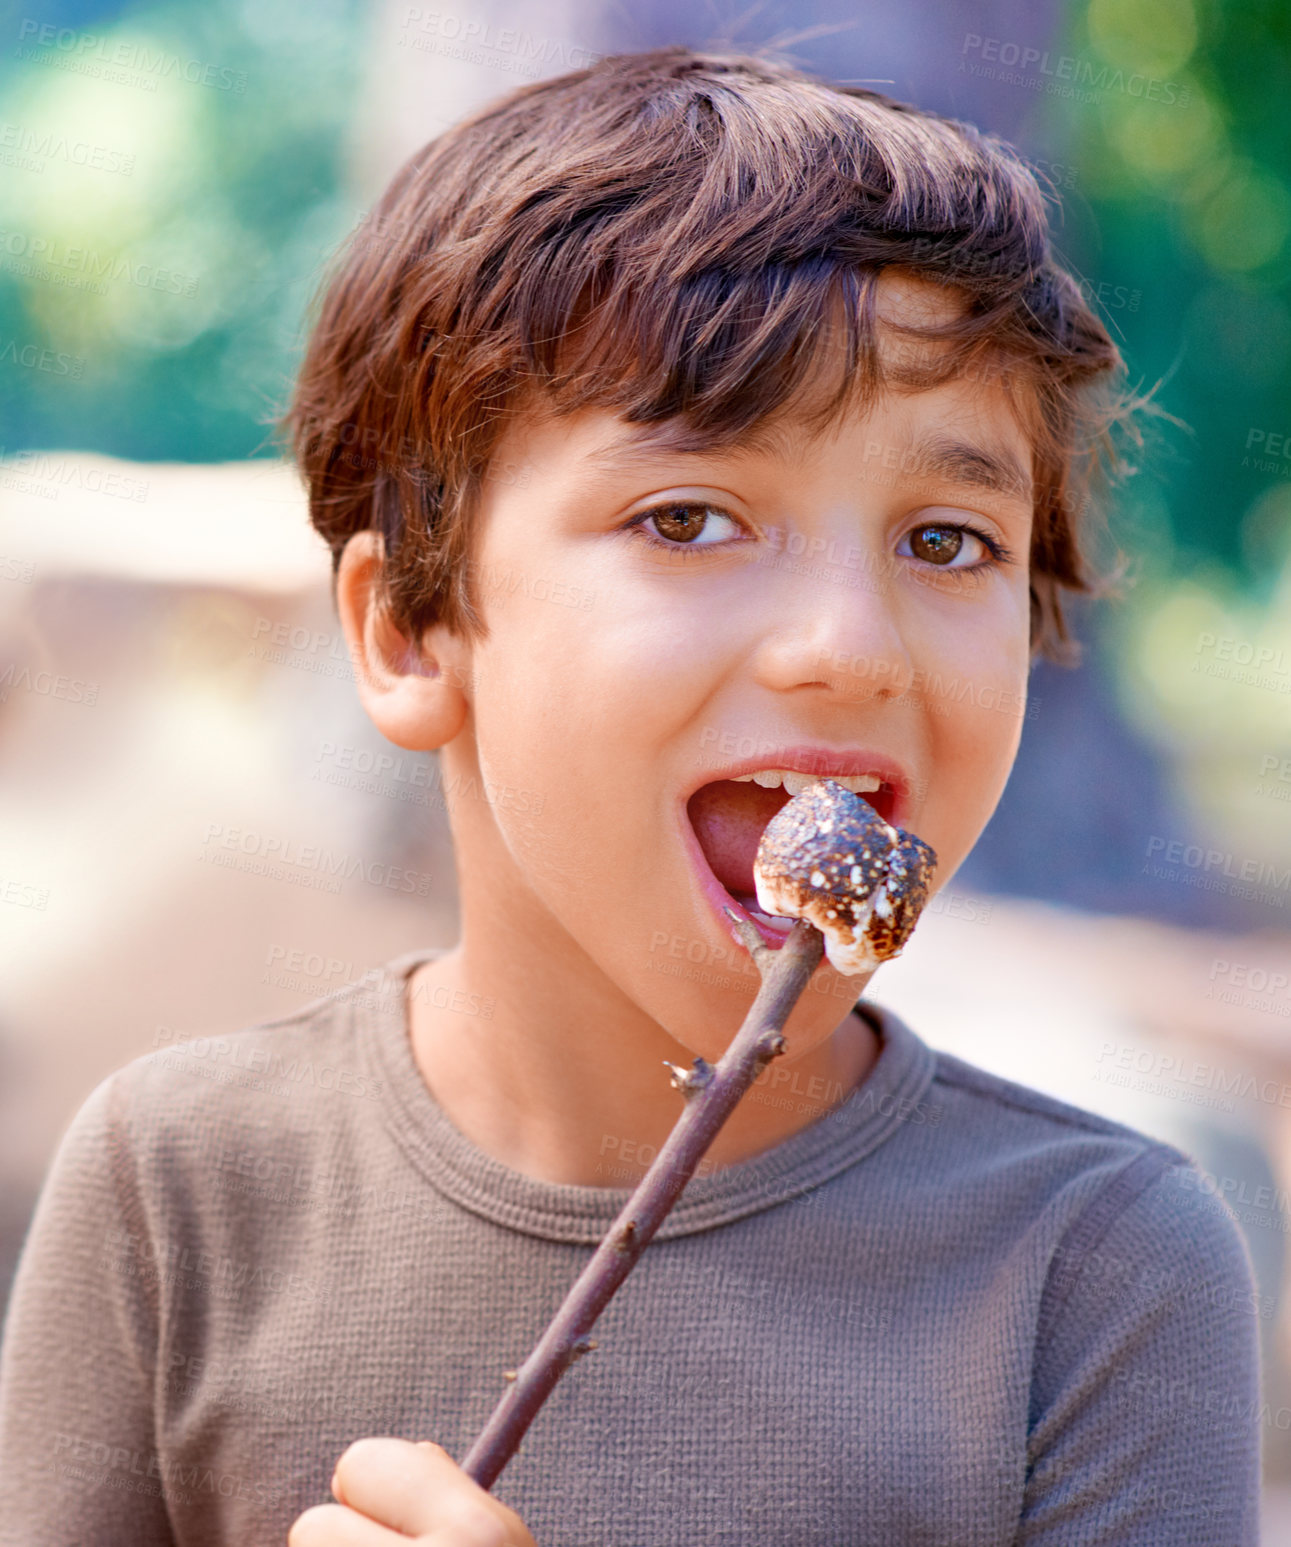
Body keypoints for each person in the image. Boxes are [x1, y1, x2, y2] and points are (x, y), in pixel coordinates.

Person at [0, 46, 1262, 1546]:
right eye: (689, 517)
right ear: (410, 632)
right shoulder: (179, 1188)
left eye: (944, 542)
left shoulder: (1098, 1266)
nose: (849, 650)